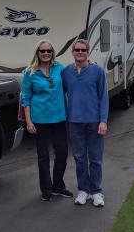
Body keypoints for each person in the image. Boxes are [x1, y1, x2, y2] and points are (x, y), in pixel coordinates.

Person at [22, 40, 73, 201]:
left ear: (53, 53)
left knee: (62, 153)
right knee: (43, 156)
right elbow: (26, 98)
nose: (46, 54)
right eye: (42, 51)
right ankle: (46, 189)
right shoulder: (30, 73)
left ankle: (58, 186)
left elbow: (73, 76)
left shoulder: (60, 68)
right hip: (40, 120)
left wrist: (89, 63)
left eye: (49, 51)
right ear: (37, 53)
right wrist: (29, 122)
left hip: (59, 118)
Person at [62, 39, 109, 207]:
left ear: (88, 52)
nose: (80, 52)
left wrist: (103, 120)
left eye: (83, 50)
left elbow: (104, 97)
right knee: (79, 158)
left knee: (95, 159)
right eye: (77, 49)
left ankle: (96, 191)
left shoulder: (97, 71)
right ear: (72, 52)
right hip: (74, 122)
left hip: (94, 122)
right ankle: (83, 190)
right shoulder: (66, 72)